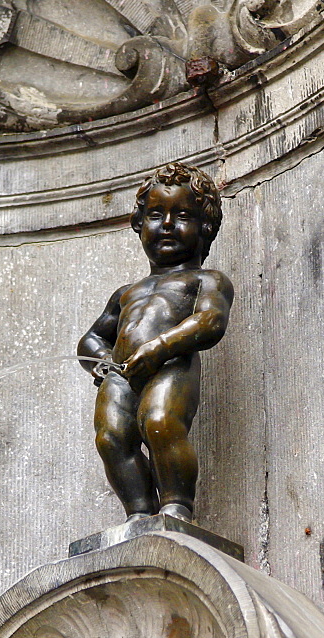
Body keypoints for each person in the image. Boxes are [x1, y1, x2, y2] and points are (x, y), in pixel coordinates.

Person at [77, 162, 234, 522]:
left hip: (171, 365)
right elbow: (91, 338)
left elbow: (211, 321)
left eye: (182, 216)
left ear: (206, 227)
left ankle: (177, 506)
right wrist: (101, 360)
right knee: (112, 438)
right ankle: (138, 513)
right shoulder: (127, 293)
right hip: (121, 373)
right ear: (138, 225)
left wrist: (159, 348)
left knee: (161, 422)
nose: (166, 225)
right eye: (154, 215)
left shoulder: (207, 280)